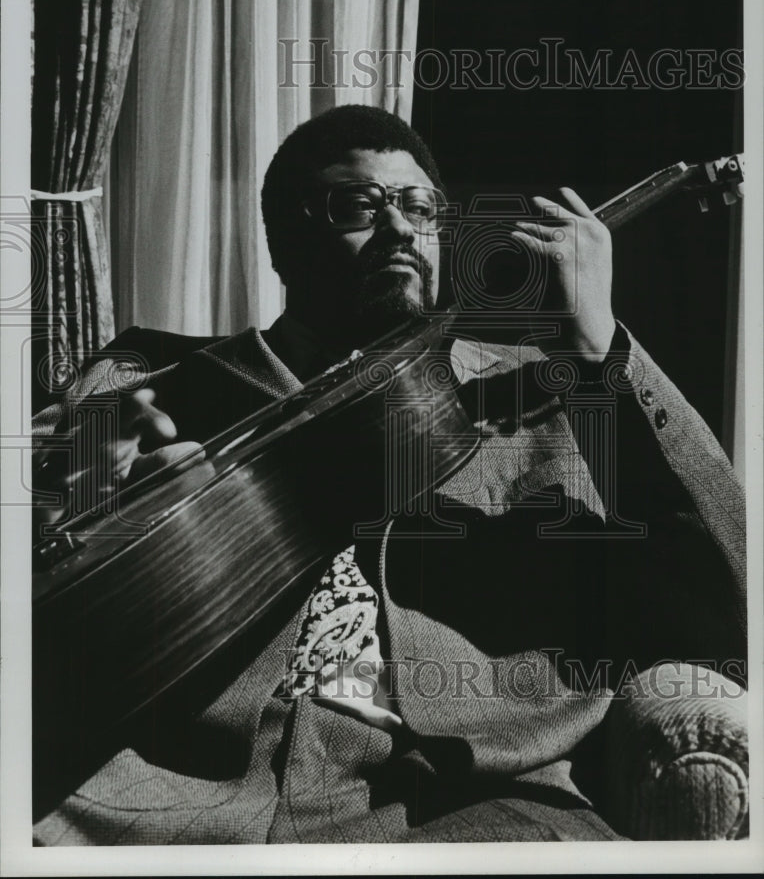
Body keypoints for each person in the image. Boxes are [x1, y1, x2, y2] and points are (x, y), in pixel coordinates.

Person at [32, 105, 746, 844]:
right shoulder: (152, 385)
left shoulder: (537, 401)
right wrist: (69, 512)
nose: (401, 230)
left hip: (456, 794)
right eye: (359, 206)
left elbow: (730, 582)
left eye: (419, 208)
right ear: (284, 240)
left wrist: (601, 346)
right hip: (171, 788)